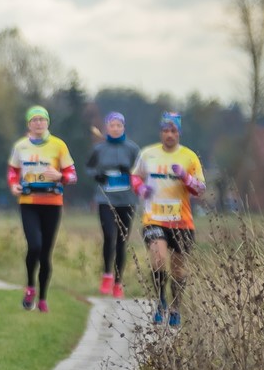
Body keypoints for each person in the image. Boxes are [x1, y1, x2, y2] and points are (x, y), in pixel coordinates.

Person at [131, 112, 205, 326]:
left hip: (181, 221)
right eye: (165, 130)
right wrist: (140, 188)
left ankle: (175, 307)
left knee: (179, 269)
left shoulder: (189, 157)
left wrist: (185, 177)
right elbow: (135, 176)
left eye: (173, 131)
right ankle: (160, 301)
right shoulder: (148, 154)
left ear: (179, 133)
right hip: (154, 219)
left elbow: (200, 189)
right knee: (158, 258)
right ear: (160, 133)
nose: (169, 135)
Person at [7, 105, 77, 312]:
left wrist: (60, 176)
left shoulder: (58, 145)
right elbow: (13, 171)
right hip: (29, 203)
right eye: (34, 120)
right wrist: (13, 185)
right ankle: (30, 286)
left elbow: (72, 175)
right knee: (34, 246)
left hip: (52, 203)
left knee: (46, 253)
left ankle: (43, 297)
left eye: (42, 119)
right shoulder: (20, 146)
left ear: (48, 122)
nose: (39, 123)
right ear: (29, 124)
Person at [86, 112, 140, 298]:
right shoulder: (99, 149)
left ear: (123, 127)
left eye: (119, 125)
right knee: (109, 236)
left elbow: (142, 171)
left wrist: (130, 172)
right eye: (112, 125)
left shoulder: (132, 149)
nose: (115, 128)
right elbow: (89, 167)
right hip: (105, 198)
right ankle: (107, 275)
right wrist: (97, 175)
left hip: (127, 200)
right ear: (106, 128)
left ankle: (118, 282)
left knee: (122, 241)